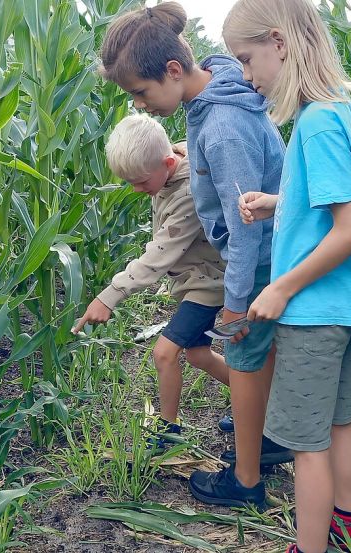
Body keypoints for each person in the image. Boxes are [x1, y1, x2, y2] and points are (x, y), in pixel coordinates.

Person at [98, 2, 290, 509]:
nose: (139, 105)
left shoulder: (221, 126)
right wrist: (190, 151)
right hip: (267, 254)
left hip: (257, 262)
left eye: (140, 92)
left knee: (245, 359)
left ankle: (246, 481)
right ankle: (267, 438)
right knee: (257, 357)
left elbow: (245, 222)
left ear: (174, 71)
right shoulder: (215, 93)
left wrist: (234, 301)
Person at [223, 0, 351, 550]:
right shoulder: (340, 111)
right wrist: (277, 202)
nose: (246, 76)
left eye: (246, 59)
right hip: (349, 305)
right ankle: (348, 524)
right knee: (340, 423)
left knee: (306, 446)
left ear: (279, 43)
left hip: (314, 313)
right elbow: (331, 198)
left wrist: (282, 286)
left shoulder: (314, 124)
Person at [73, 114, 229, 449]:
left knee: (164, 353)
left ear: (168, 162)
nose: (137, 190)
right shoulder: (169, 169)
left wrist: (110, 295)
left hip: (207, 284)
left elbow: (160, 254)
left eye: (141, 182)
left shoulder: (188, 193)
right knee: (199, 354)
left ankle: (168, 430)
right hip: (195, 280)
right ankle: (258, 402)